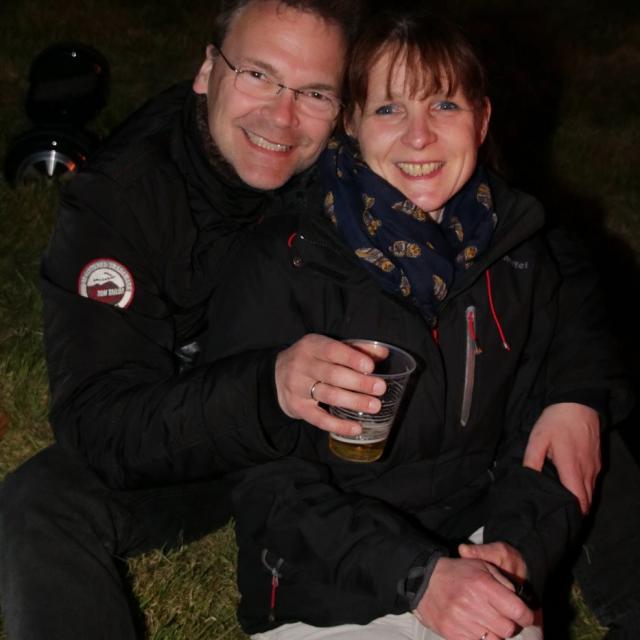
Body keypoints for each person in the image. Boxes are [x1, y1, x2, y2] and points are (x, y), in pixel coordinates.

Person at [0, 0, 636, 638]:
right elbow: (100, 422)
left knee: (569, 418)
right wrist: (266, 388)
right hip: (194, 435)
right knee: (41, 502)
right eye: (258, 75)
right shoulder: (122, 198)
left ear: (344, 110)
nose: (280, 117)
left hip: (342, 444)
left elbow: (538, 249)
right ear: (208, 71)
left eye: (313, 92)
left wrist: (577, 394)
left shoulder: (374, 157)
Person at [199, 8, 636, 639]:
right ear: (351, 122)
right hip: (331, 591)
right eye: (389, 109)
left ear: (482, 119)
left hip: (479, 558)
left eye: (445, 106)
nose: (420, 136)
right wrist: (419, 577)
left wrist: (517, 553)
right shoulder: (286, 258)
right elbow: (265, 485)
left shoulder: (517, 253)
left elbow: (538, 440)